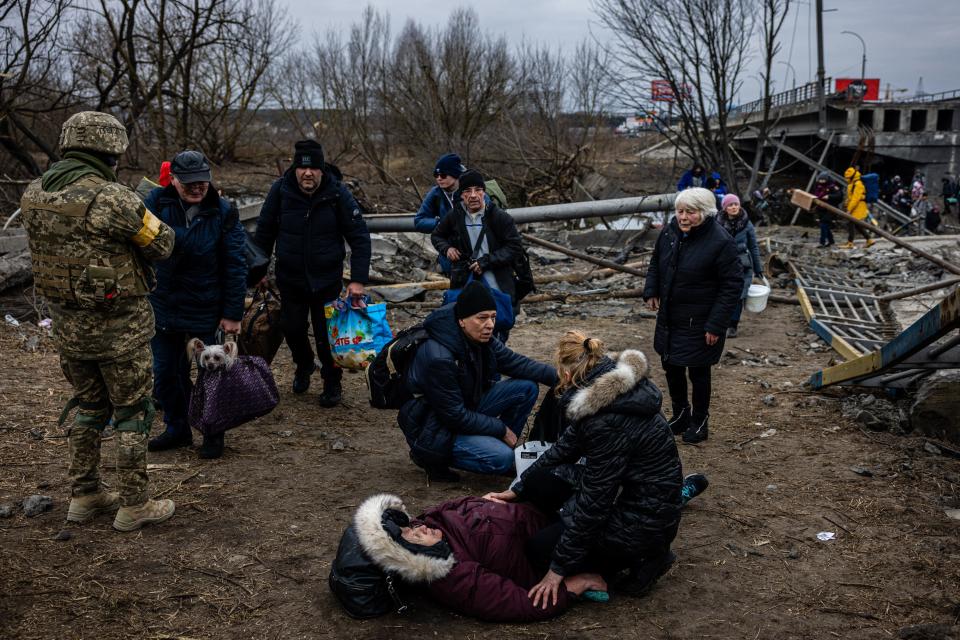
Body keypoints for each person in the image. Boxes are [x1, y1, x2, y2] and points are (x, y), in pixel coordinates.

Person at [19, 111, 177, 531]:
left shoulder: (33, 193)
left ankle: (85, 494)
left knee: (88, 408)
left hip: (68, 329)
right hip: (119, 330)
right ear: (111, 151)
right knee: (133, 412)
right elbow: (162, 244)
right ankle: (134, 504)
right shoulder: (113, 197)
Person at [483, 333, 686, 607]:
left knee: (538, 551)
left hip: (643, 520)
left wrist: (557, 571)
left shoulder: (608, 420)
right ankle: (582, 540)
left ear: (567, 374)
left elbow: (595, 503)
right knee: (541, 480)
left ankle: (648, 558)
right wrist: (518, 488)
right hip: (631, 494)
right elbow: (564, 448)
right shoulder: (605, 391)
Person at [343, 493, 607, 622]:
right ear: (407, 555)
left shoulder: (430, 526)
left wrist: (498, 499)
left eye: (410, 524)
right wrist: (577, 584)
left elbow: (457, 504)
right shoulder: (449, 575)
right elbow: (515, 604)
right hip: (557, 543)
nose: (419, 526)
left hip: (539, 509)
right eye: (412, 535)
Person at [398, 281, 558, 481]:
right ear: (462, 320)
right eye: (482, 318)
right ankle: (430, 457)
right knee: (503, 458)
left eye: (493, 317)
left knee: (526, 388)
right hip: (433, 428)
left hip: (465, 406)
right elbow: (454, 416)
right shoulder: (438, 357)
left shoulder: (480, 337)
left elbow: (516, 363)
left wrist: (561, 378)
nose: (490, 325)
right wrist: (500, 429)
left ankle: (497, 444)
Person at [253, 139, 371, 407]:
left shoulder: (338, 193)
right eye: (302, 168)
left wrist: (358, 280)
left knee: (326, 336)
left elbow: (359, 237)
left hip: (326, 280)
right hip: (291, 278)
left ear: (322, 170)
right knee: (291, 328)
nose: (308, 173)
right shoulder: (280, 191)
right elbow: (264, 234)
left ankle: (332, 382)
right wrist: (257, 272)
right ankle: (304, 364)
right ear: (295, 169)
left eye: (314, 169)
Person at [145, 150, 247, 459]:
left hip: (206, 307)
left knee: (211, 375)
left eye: (202, 182)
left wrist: (232, 313)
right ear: (172, 179)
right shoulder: (154, 203)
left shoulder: (223, 211)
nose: (196, 188)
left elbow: (235, 263)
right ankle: (177, 428)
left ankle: (213, 432)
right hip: (164, 305)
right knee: (166, 374)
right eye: (188, 182)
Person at [642, 187, 742, 444]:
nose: (683, 217)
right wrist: (651, 290)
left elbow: (732, 286)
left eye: (691, 212)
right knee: (671, 366)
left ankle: (700, 421)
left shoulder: (721, 242)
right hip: (671, 317)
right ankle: (681, 414)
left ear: (706, 213)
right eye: (680, 211)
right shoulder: (670, 231)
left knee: (698, 372)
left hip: (702, 322)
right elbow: (656, 262)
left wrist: (716, 324)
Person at [431, 169, 523, 343]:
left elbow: (514, 246)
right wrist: (447, 249)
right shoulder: (455, 216)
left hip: (496, 277)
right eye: (467, 191)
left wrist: (488, 261)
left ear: (484, 192)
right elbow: (437, 235)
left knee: (499, 318)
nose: (473, 195)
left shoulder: (499, 217)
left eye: (477, 190)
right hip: (466, 277)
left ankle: (497, 353)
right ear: (461, 195)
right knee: (467, 318)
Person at [718, 194, 763, 338]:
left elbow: (753, 247)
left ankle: (732, 326)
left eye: (736, 204)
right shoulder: (717, 223)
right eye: (730, 205)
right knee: (722, 294)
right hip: (722, 264)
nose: (734, 207)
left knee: (738, 296)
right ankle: (721, 323)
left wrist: (758, 268)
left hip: (742, 264)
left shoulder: (746, 223)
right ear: (725, 208)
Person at [414, 153, 465, 274]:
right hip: (449, 251)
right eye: (436, 175)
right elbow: (419, 220)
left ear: (455, 174)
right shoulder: (436, 193)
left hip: (474, 250)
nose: (439, 178)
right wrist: (441, 223)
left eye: (443, 174)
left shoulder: (471, 190)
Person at [842, 167, 876, 249]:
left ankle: (850, 243)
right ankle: (869, 240)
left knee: (850, 223)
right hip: (856, 206)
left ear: (852, 177)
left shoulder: (858, 184)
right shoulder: (853, 184)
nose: (846, 179)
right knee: (857, 225)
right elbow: (851, 197)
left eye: (848, 178)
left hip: (858, 207)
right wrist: (847, 202)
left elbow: (855, 199)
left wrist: (849, 210)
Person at [812, 173, 842, 247]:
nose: (821, 181)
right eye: (820, 180)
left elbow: (839, 196)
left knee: (824, 224)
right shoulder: (818, 186)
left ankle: (822, 242)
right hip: (821, 208)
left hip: (830, 209)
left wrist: (829, 196)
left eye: (823, 180)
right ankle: (831, 241)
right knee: (825, 226)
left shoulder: (833, 187)